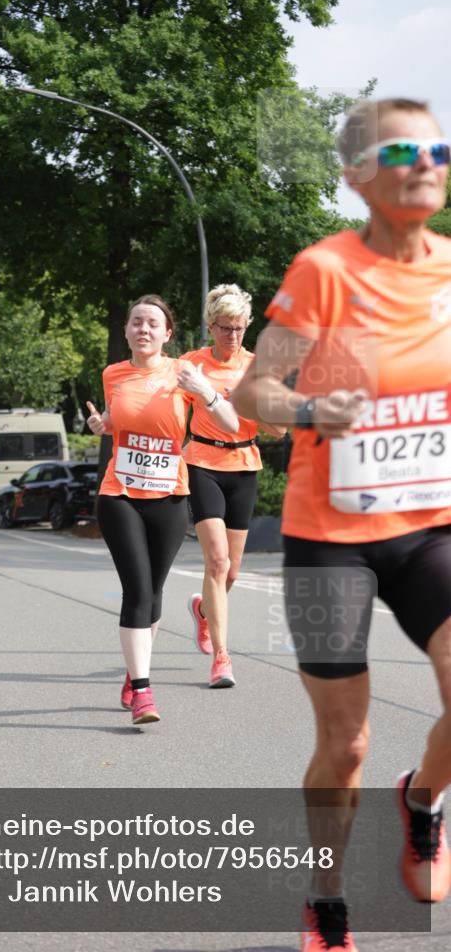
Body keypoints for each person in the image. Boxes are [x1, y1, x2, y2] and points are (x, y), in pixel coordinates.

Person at [232, 98, 451, 952]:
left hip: (431, 526)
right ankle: (325, 894)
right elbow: (255, 395)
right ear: (355, 173)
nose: (425, 160)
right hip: (330, 536)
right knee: (346, 742)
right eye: (401, 148)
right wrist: (317, 406)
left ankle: (423, 800)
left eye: (437, 144)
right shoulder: (324, 269)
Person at [86, 295, 240, 724]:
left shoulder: (184, 373)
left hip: (170, 496)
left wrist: (206, 393)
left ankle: (137, 669)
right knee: (137, 590)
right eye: (136, 322)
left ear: (167, 334)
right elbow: (124, 421)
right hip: (120, 493)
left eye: (153, 323)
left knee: (154, 593)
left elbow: (230, 424)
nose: (144, 329)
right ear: (127, 331)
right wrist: (104, 426)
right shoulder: (113, 374)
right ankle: (142, 691)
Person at [181, 283, 286, 689]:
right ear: (211, 326)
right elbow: (168, 413)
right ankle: (222, 659)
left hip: (244, 464)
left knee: (233, 572)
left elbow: (278, 430)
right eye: (226, 328)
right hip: (202, 462)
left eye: (240, 328)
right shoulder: (191, 364)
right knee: (217, 562)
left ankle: (204, 612)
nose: (233, 336)